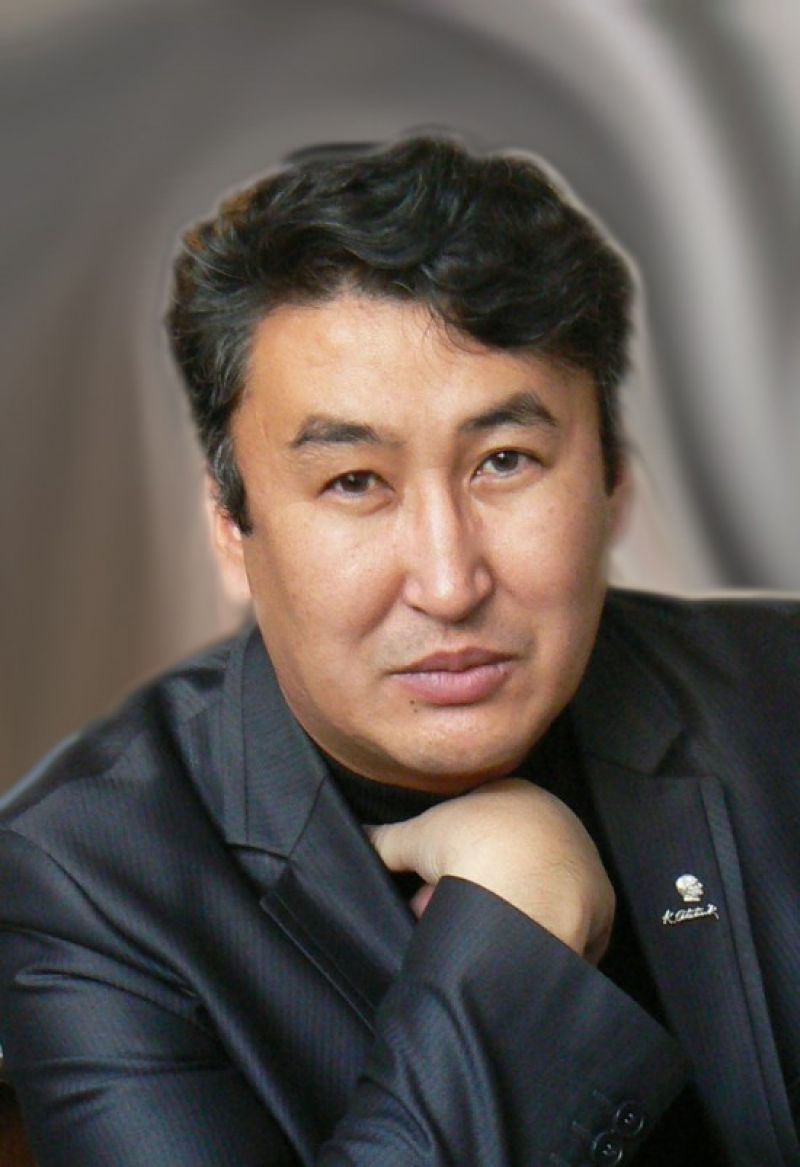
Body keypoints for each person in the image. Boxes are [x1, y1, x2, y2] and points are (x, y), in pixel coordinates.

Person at [0, 134, 798, 1167]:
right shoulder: (84, 882)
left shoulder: (780, 698)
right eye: (354, 483)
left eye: (504, 461)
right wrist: (510, 938)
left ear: (611, 484)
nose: (447, 581)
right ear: (232, 528)